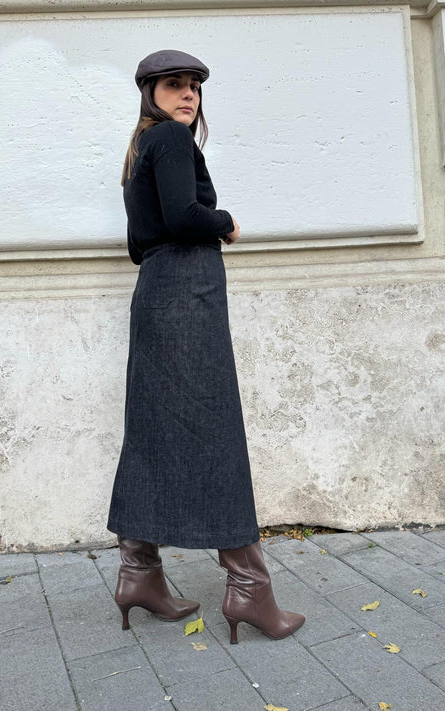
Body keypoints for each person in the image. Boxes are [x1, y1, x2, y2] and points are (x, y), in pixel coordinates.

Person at [106, 49, 305, 644]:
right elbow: (183, 215)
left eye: (194, 86)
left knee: (152, 431)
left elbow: (139, 244)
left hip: (156, 293)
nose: (188, 94)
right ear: (149, 92)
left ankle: (139, 574)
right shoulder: (169, 138)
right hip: (187, 297)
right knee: (214, 431)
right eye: (174, 85)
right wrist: (226, 223)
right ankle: (249, 587)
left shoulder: (140, 148)